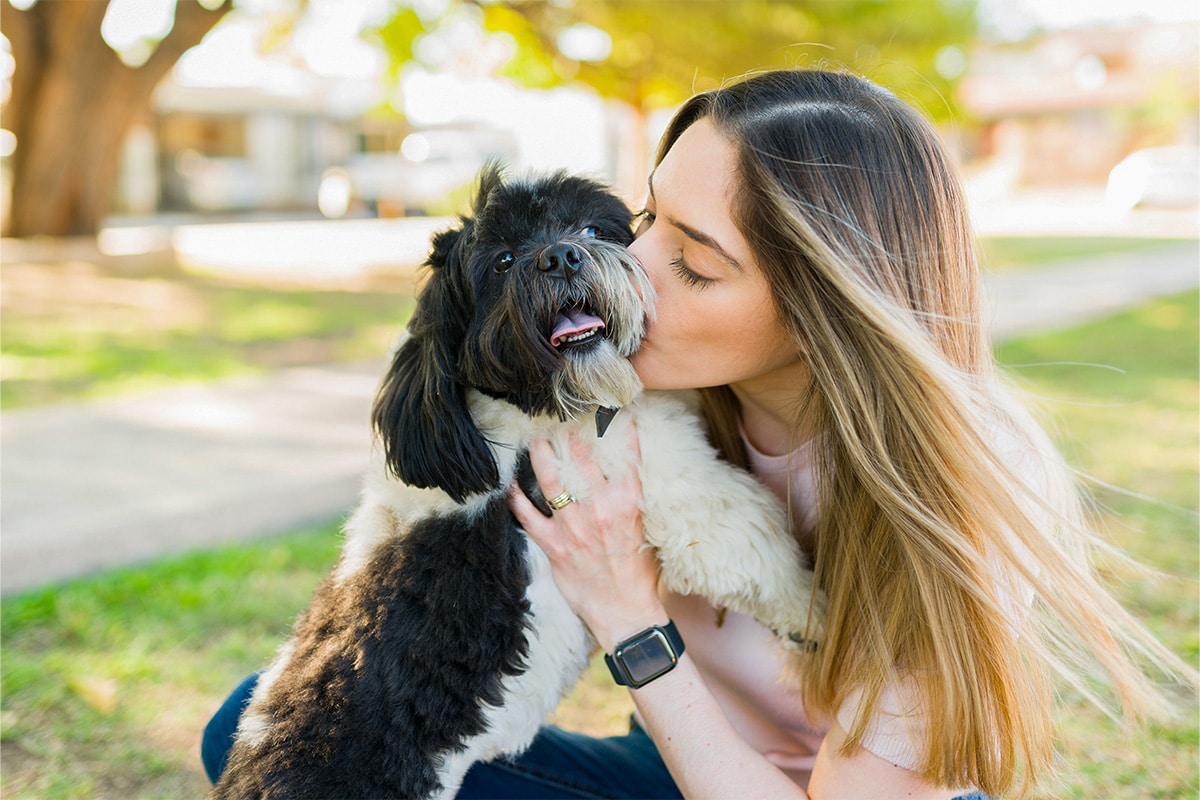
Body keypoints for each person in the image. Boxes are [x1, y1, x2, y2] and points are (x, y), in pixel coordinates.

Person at [203, 68, 1192, 799]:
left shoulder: (953, 480)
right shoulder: (635, 391)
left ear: (823, 310)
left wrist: (632, 620)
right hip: (681, 765)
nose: (629, 270)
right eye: (644, 223)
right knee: (275, 739)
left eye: (698, 263)